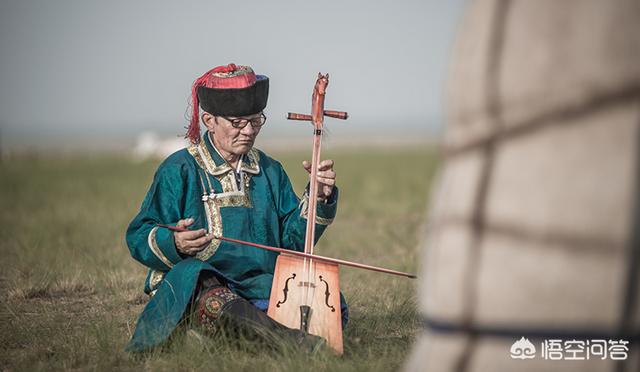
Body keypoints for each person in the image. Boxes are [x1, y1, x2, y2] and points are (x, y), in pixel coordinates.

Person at [124, 63, 346, 353]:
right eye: (238, 123)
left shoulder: (269, 170)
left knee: (330, 302)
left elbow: (293, 243)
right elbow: (139, 235)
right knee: (201, 283)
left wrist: (317, 198)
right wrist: (175, 241)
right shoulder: (179, 169)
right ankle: (289, 343)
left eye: (256, 121)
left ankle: (237, 340)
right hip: (205, 284)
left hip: (261, 285)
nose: (249, 131)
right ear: (209, 120)